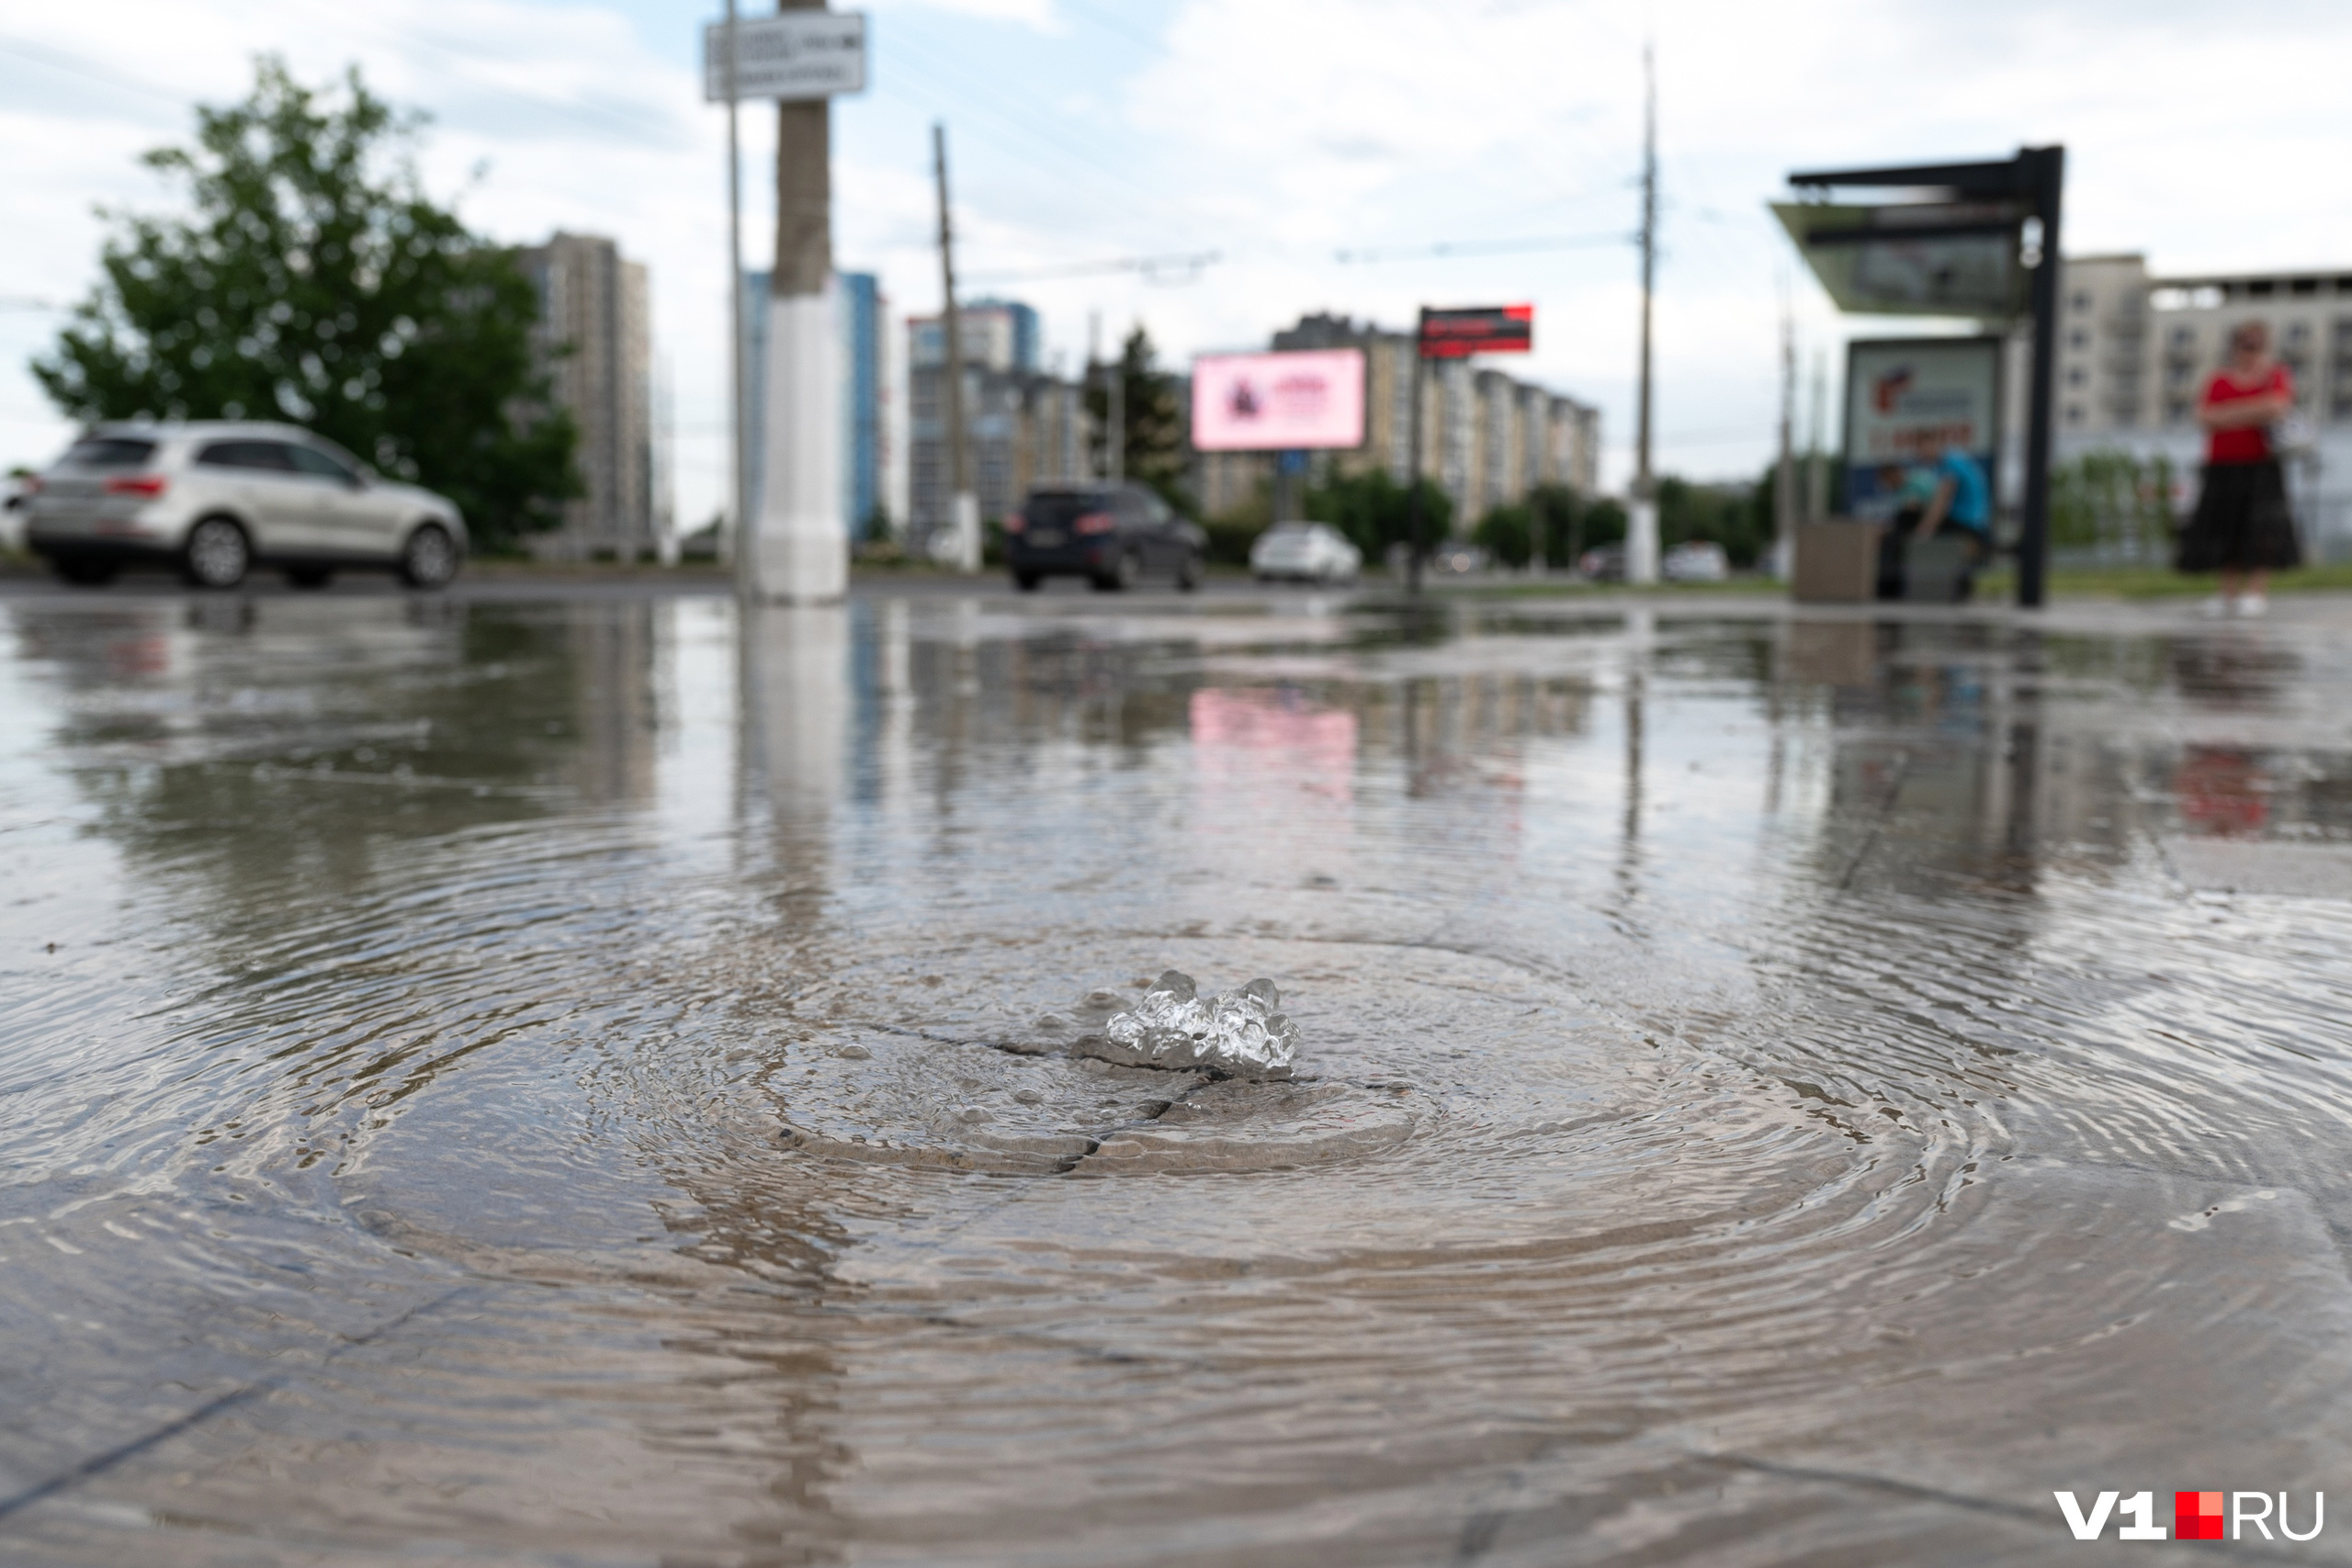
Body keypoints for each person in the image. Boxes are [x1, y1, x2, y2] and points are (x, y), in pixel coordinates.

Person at [2177, 321, 2299, 616]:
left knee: (2261, 529)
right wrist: (2253, 411)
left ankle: (2256, 593)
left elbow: (2277, 408)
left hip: (2262, 466)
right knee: (2223, 528)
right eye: (2245, 344)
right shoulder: (2218, 379)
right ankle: (2227, 594)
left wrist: (2229, 414)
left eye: (2257, 345)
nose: (2251, 351)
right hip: (2222, 467)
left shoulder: (2275, 376)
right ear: (2234, 347)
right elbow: (2203, 416)